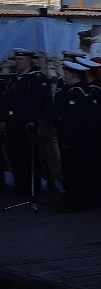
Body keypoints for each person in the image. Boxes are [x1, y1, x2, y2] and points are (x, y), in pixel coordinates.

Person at [53, 59, 101, 211]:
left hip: (78, 140)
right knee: (79, 172)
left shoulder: (78, 92)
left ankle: (76, 202)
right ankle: (80, 200)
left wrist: (68, 138)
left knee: (76, 172)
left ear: (73, 75)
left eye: (67, 74)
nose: (65, 77)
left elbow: (76, 119)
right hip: (83, 139)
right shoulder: (82, 91)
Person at [1, 50, 53, 198]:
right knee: (15, 155)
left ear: (30, 60)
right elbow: (6, 101)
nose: (18, 62)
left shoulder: (36, 78)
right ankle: (20, 185)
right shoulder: (14, 79)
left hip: (27, 123)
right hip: (13, 123)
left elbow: (39, 102)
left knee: (29, 157)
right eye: (16, 59)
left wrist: (34, 120)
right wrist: (3, 119)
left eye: (21, 59)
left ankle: (32, 187)